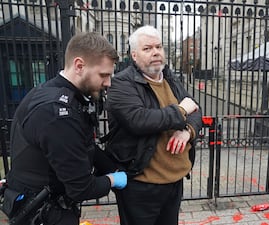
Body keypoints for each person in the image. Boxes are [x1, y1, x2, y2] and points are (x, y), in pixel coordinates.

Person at [4, 32, 127, 225]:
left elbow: (84, 145)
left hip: (45, 205)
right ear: (79, 65)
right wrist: (112, 180)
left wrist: (114, 168)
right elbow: (81, 188)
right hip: (45, 212)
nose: (108, 83)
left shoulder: (57, 93)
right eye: (103, 75)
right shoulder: (58, 114)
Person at [105, 25, 202, 225]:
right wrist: (181, 111)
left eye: (159, 46)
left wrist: (187, 132)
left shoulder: (171, 79)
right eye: (147, 48)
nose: (156, 52)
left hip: (174, 180)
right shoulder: (121, 84)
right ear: (134, 55)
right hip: (141, 184)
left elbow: (196, 110)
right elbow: (139, 121)